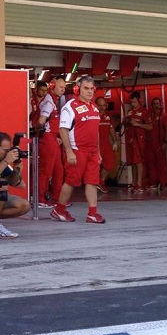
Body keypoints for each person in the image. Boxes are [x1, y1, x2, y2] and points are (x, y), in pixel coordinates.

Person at [51, 75, 105, 223]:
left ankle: (92, 213)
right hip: (77, 150)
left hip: (92, 152)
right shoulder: (70, 106)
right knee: (71, 181)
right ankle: (59, 210)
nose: (89, 92)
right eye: (86, 88)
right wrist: (69, 151)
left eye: (91, 89)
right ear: (77, 89)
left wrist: (98, 152)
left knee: (92, 181)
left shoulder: (94, 107)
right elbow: (63, 129)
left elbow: (96, 132)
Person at [36, 76, 67, 209]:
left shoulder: (55, 100)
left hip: (53, 138)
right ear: (53, 86)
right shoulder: (49, 101)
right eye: (61, 87)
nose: (63, 90)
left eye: (64, 88)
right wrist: (43, 133)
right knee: (46, 170)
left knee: (58, 170)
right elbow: (41, 121)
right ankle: (40, 198)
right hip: (47, 137)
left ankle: (57, 198)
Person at [0, 132, 30, 239]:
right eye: (5, 150)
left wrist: (17, 169)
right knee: (2, 185)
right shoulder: (4, 161)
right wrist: (6, 161)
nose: (8, 153)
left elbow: (18, 184)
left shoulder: (3, 160)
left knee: (23, 205)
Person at [124, 91, 152, 193]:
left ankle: (139, 184)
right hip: (130, 139)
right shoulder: (130, 112)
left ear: (139, 100)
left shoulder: (144, 112)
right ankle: (134, 183)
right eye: (131, 102)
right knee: (132, 162)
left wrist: (138, 124)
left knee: (138, 162)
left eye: (134, 102)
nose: (133, 104)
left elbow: (150, 126)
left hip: (139, 140)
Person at [145, 97, 167, 189]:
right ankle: (153, 182)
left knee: (161, 164)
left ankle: (163, 183)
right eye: (154, 104)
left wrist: (165, 142)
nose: (156, 105)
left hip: (160, 142)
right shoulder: (149, 115)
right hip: (150, 143)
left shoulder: (164, 116)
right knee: (151, 163)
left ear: (161, 104)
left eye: (157, 103)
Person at [96, 97, 119, 193]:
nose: (102, 108)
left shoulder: (108, 115)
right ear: (95, 105)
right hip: (95, 144)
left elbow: (111, 129)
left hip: (106, 143)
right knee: (95, 165)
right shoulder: (93, 115)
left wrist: (115, 141)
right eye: (99, 105)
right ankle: (95, 182)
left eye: (103, 105)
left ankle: (100, 182)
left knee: (109, 163)